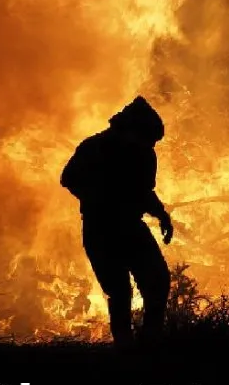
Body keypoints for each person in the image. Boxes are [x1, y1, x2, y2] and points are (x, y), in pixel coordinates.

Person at [60, 96, 173, 346]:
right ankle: (125, 348)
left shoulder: (144, 155)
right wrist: (97, 197)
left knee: (158, 281)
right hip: (100, 230)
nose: (151, 145)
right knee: (120, 292)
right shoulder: (93, 148)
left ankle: (149, 343)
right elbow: (68, 178)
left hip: (131, 228)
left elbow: (144, 192)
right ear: (130, 130)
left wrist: (162, 215)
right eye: (148, 138)